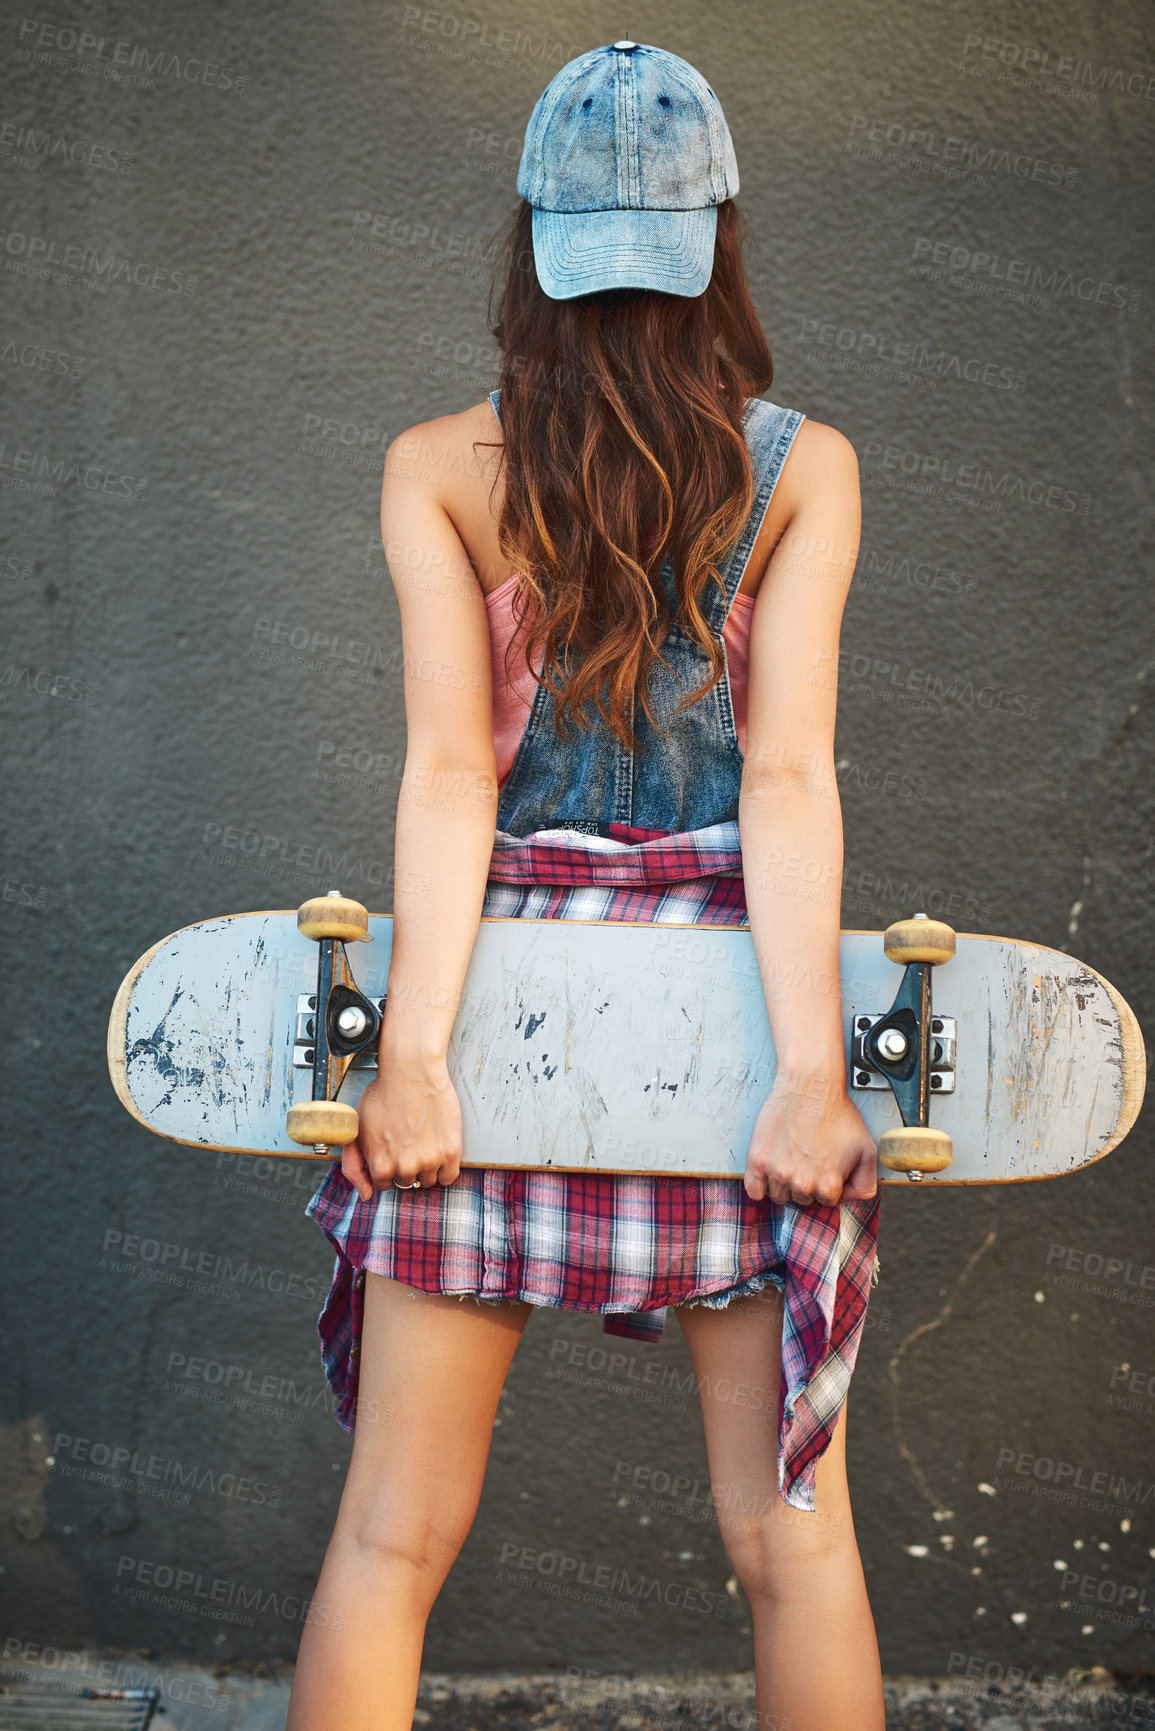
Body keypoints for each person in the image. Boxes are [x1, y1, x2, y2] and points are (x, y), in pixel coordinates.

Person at [287, 40, 884, 1731]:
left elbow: (453, 778)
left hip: (491, 1012)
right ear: (723, 250)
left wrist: (409, 1062)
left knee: (390, 1543)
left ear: (529, 247)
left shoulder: (437, 468)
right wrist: (814, 1079)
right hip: (728, 1019)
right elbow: (782, 781)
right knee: (795, 1549)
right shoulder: (808, 471)